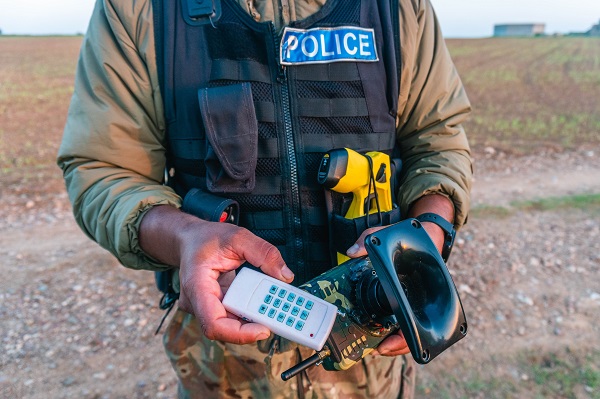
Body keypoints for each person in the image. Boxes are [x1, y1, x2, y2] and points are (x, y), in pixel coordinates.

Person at [58, 0, 472, 397]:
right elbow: (104, 169)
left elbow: (439, 142)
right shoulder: (140, 7)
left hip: (369, 350)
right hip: (221, 360)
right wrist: (184, 236)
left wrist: (427, 236)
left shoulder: (399, 6)